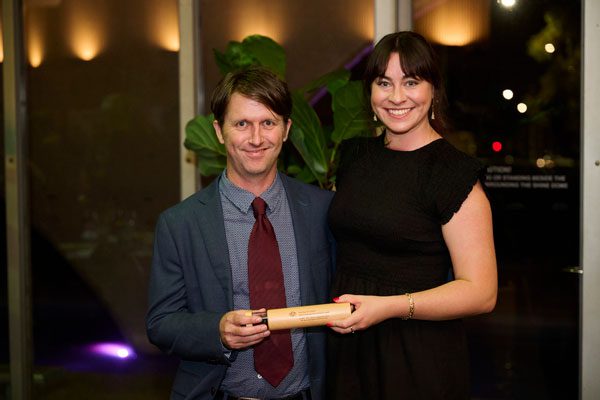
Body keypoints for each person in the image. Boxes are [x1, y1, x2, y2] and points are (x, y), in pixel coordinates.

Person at [326, 31, 498, 399]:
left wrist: (387, 307)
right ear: (370, 92)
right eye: (383, 82)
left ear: (433, 89)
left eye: (411, 82)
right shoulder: (355, 156)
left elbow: (482, 293)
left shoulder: (453, 174)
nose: (397, 97)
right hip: (351, 347)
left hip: (417, 352)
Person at [146, 66, 335, 400]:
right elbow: (161, 323)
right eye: (242, 124)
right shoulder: (181, 224)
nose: (256, 138)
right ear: (220, 131)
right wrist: (216, 331)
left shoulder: (322, 210)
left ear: (287, 129)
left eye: (268, 123)